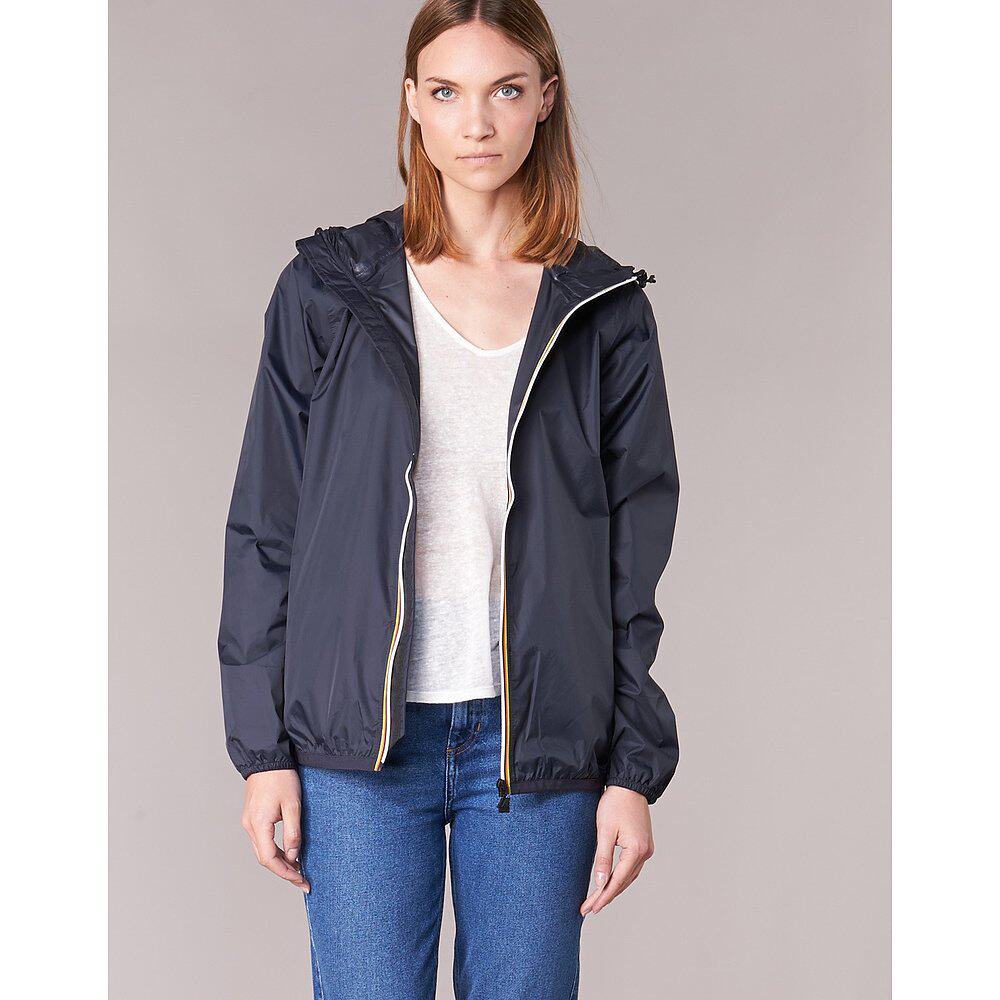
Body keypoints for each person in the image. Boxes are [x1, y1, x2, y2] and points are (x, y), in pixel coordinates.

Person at [217, 1, 680, 997]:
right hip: (357, 745)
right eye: (447, 91)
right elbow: (266, 527)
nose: (476, 122)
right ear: (413, 105)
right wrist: (263, 752)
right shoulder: (329, 290)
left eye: (505, 89)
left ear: (545, 100)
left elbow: (631, 566)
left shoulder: (602, 312)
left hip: (537, 737)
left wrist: (632, 770)